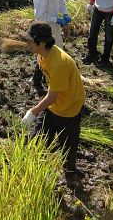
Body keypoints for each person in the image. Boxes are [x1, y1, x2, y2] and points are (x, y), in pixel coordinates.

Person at [21, 22, 85, 175]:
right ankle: (32, 173)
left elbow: (51, 96)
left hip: (69, 108)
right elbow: (51, 93)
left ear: (42, 43)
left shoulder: (59, 63)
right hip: (53, 106)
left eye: (30, 40)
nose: (27, 43)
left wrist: (33, 112)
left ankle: (71, 175)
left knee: (67, 152)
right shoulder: (42, 55)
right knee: (35, 143)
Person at [32, 0, 72, 95]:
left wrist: (65, 14)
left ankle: (50, 78)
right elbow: (40, 15)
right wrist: (57, 19)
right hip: (43, 27)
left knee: (56, 51)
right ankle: (37, 81)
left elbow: (62, 1)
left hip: (54, 25)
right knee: (44, 54)